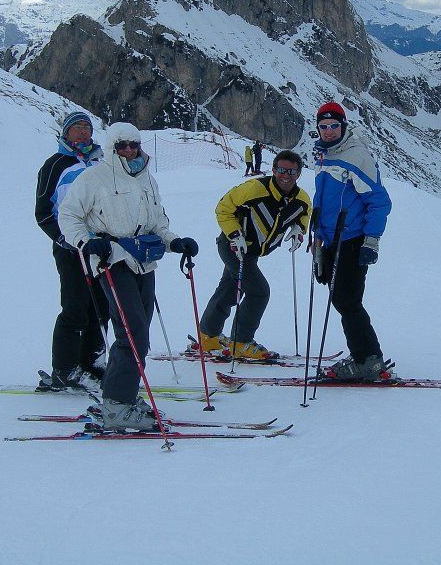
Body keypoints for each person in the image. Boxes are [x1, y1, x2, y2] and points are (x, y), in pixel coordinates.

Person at [57, 122, 199, 431]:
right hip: (112, 259)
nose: (130, 150)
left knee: (139, 331)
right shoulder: (93, 177)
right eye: (123, 145)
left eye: (134, 144)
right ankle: (118, 405)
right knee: (132, 331)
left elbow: (157, 220)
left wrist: (173, 241)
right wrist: (85, 242)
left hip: (144, 260)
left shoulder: (146, 178)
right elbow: (68, 215)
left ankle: (120, 395)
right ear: (111, 148)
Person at [193, 150, 312, 359]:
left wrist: (299, 230)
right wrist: (234, 233)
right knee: (259, 291)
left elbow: (304, 215)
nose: (286, 176)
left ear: (299, 174)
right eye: (282, 170)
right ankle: (241, 342)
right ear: (274, 170)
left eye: (292, 172)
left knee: (229, 290)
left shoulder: (301, 199)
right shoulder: (254, 189)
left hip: (252, 251)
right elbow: (223, 208)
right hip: (233, 247)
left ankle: (208, 336)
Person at [310, 101, 394, 381]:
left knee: (348, 300)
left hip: (353, 239)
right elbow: (326, 201)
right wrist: (319, 239)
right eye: (324, 126)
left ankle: (368, 360)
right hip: (332, 240)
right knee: (340, 298)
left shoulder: (356, 156)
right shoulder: (324, 154)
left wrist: (371, 240)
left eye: (334, 126)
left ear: (343, 125)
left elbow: (379, 201)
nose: (329, 131)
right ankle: (364, 356)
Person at [34, 111, 106, 390]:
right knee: (75, 307)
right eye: (76, 127)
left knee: (101, 307)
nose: (83, 132)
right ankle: (64, 369)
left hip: (101, 248)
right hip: (70, 248)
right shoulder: (55, 165)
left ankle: (92, 362)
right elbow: (42, 212)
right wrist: (62, 238)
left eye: (87, 127)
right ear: (65, 133)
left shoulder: (101, 163)